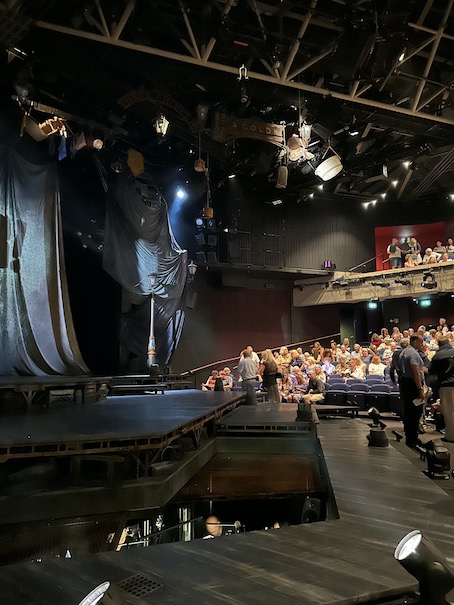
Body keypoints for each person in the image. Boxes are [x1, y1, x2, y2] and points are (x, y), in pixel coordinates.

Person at [397, 334, 426, 448]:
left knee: (408, 411)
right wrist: (420, 389)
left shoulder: (403, 352)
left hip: (405, 383)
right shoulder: (413, 353)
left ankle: (410, 437)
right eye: (420, 342)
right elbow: (415, 372)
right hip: (413, 385)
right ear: (414, 342)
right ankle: (413, 439)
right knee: (415, 412)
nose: (422, 344)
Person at [428, 336, 454, 442]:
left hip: (446, 385)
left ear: (439, 344)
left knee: (449, 412)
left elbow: (431, 373)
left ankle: (451, 436)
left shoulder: (438, 356)